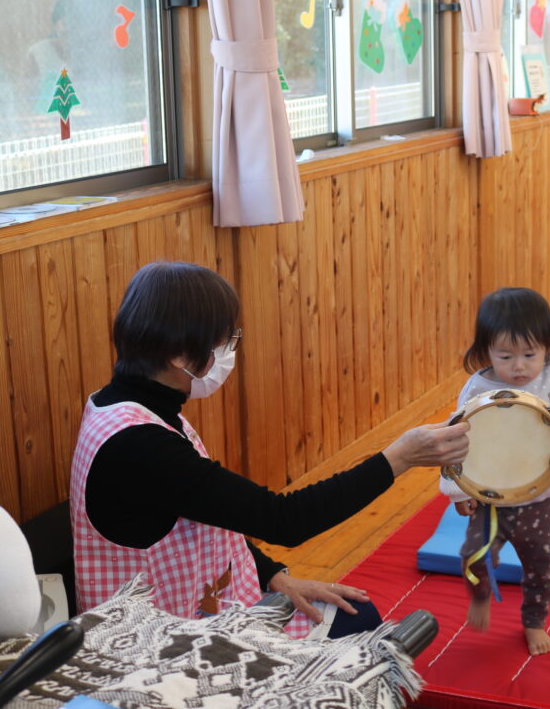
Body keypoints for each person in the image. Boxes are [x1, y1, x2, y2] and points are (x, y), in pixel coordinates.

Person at [71, 261, 470, 640]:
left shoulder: (126, 405)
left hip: (199, 602)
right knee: (359, 623)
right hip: (160, 641)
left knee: (353, 612)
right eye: (222, 341)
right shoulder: (140, 445)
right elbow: (285, 519)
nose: (227, 351)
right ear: (178, 355)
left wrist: (274, 576)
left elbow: (209, 514)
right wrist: (400, 457)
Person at [442, 287, 550, 655]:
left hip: (540, 497)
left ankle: (534, 622)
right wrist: (458, 492)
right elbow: (455, 440)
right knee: (474, 555)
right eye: (505, 356)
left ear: (548, 348)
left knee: (539, 565)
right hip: (489, 497)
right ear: (486, 351)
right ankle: (480, 595)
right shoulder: (478, 388)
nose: (519, 366)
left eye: (529, 354)